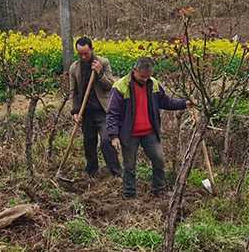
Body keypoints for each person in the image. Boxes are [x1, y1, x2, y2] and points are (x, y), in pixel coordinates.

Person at [106, 57, 193, 198]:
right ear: (135, 70)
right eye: (142, 76)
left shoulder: (154, 84)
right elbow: (112, 113)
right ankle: (129, 195)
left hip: (150, 132)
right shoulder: (120, 86)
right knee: (129, 166)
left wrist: (184, 103)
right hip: (129, 133)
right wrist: (114, 135)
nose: (145, 79)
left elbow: (166, 102)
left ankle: (159, 190)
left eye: (148, 76)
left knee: (159, 160)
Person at [69, 37, 122, 177]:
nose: (83, 56)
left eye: (86, 53)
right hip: (86, 112)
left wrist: (99, 73)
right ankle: (91, 172)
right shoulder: (74, 68)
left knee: (106, 140)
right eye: (80, 54)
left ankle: (115, 172)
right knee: (89, 142)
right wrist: (75, 111)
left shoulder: (103, 63)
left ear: (92, 49)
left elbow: (111, 85)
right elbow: (73, 92)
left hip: (103, 111)